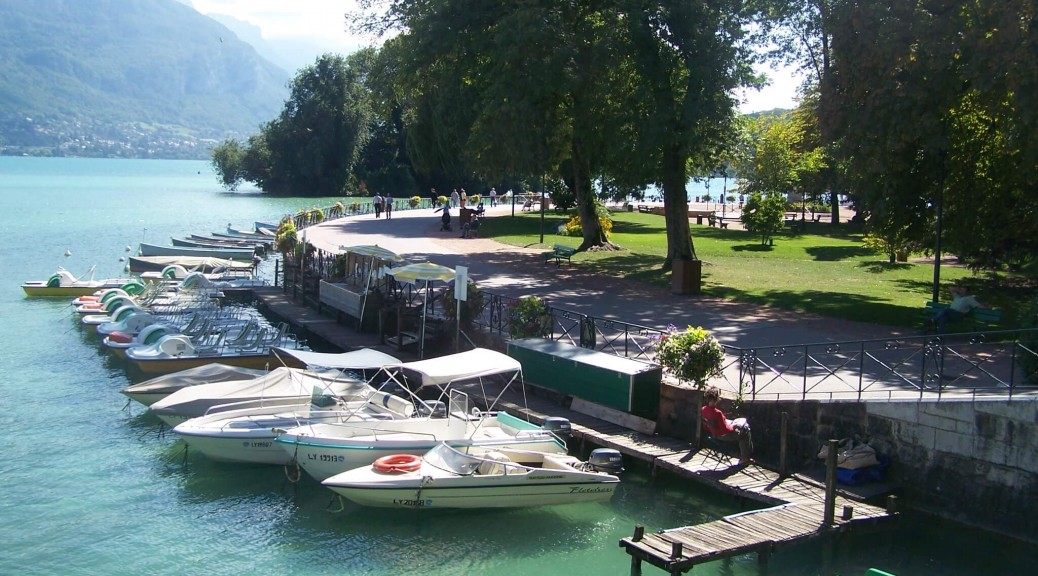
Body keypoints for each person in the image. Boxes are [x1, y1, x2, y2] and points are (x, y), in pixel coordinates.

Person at [700, 386, 753, 465]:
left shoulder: (703, 409)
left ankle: (745, 457)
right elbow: (726, 429)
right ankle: (745, 458)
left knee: (741, 426)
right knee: (745, 429)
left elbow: (708, 424)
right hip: (724, 435)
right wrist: (734, 426)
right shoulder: (718, 413)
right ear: (717, 398)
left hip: (713, 434)